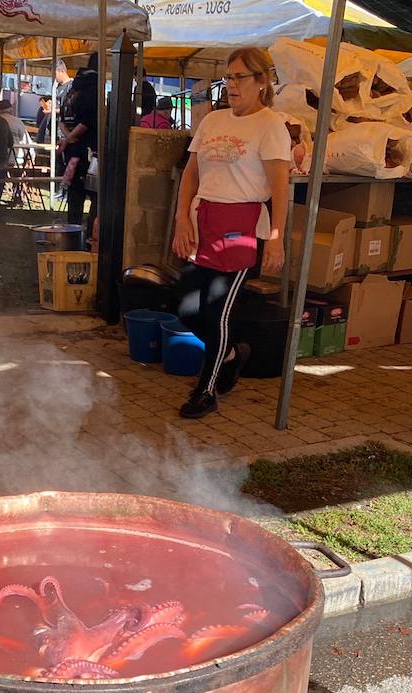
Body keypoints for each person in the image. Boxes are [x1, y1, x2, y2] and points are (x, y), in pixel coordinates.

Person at [169, 46, 289, 420]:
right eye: (228, 77)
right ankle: (234, 355)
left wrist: (276, 237)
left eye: (239, 77)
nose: (231, 84)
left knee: (218, 313)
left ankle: (206, 391)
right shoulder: (212, 121)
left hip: (240, 226)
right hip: (201, 218)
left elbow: (281, 187)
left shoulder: (270, 126)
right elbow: (190, 174)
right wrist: (181, 220)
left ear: (261, 82)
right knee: (187, 310)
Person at [58, 55, 99, 228]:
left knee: (75, 195)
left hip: (71, 152)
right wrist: (71, 136)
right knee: (95, 196)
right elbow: (86, 121)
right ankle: (90, 234)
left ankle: (71, 231)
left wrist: (68, 137)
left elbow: (61, 119)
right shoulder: (93, 88)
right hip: (88, 151)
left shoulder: (71, 89)